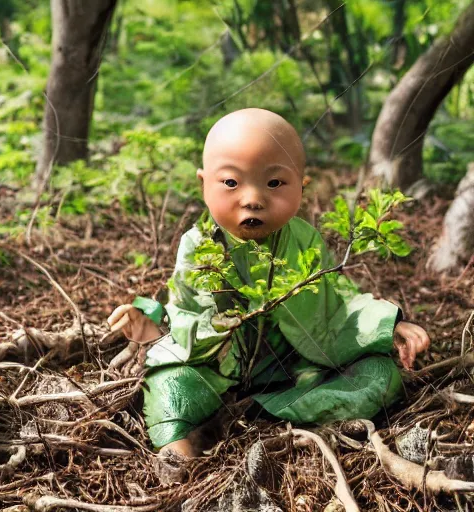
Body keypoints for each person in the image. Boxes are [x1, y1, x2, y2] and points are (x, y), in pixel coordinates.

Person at [107, 108, 430, 463]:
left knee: (381, 378)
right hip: (214, 374)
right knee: (171, 386)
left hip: (293, 373)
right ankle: (179, 452)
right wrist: (152, 324)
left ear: (301, 188)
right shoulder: (198, 245)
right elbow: (186, 312)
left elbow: (335, 300)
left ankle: (260, 415)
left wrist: (388, 325)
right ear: (204, 185)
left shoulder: (304, 240)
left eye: (274, 183)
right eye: (231, 182)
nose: (253, 198)